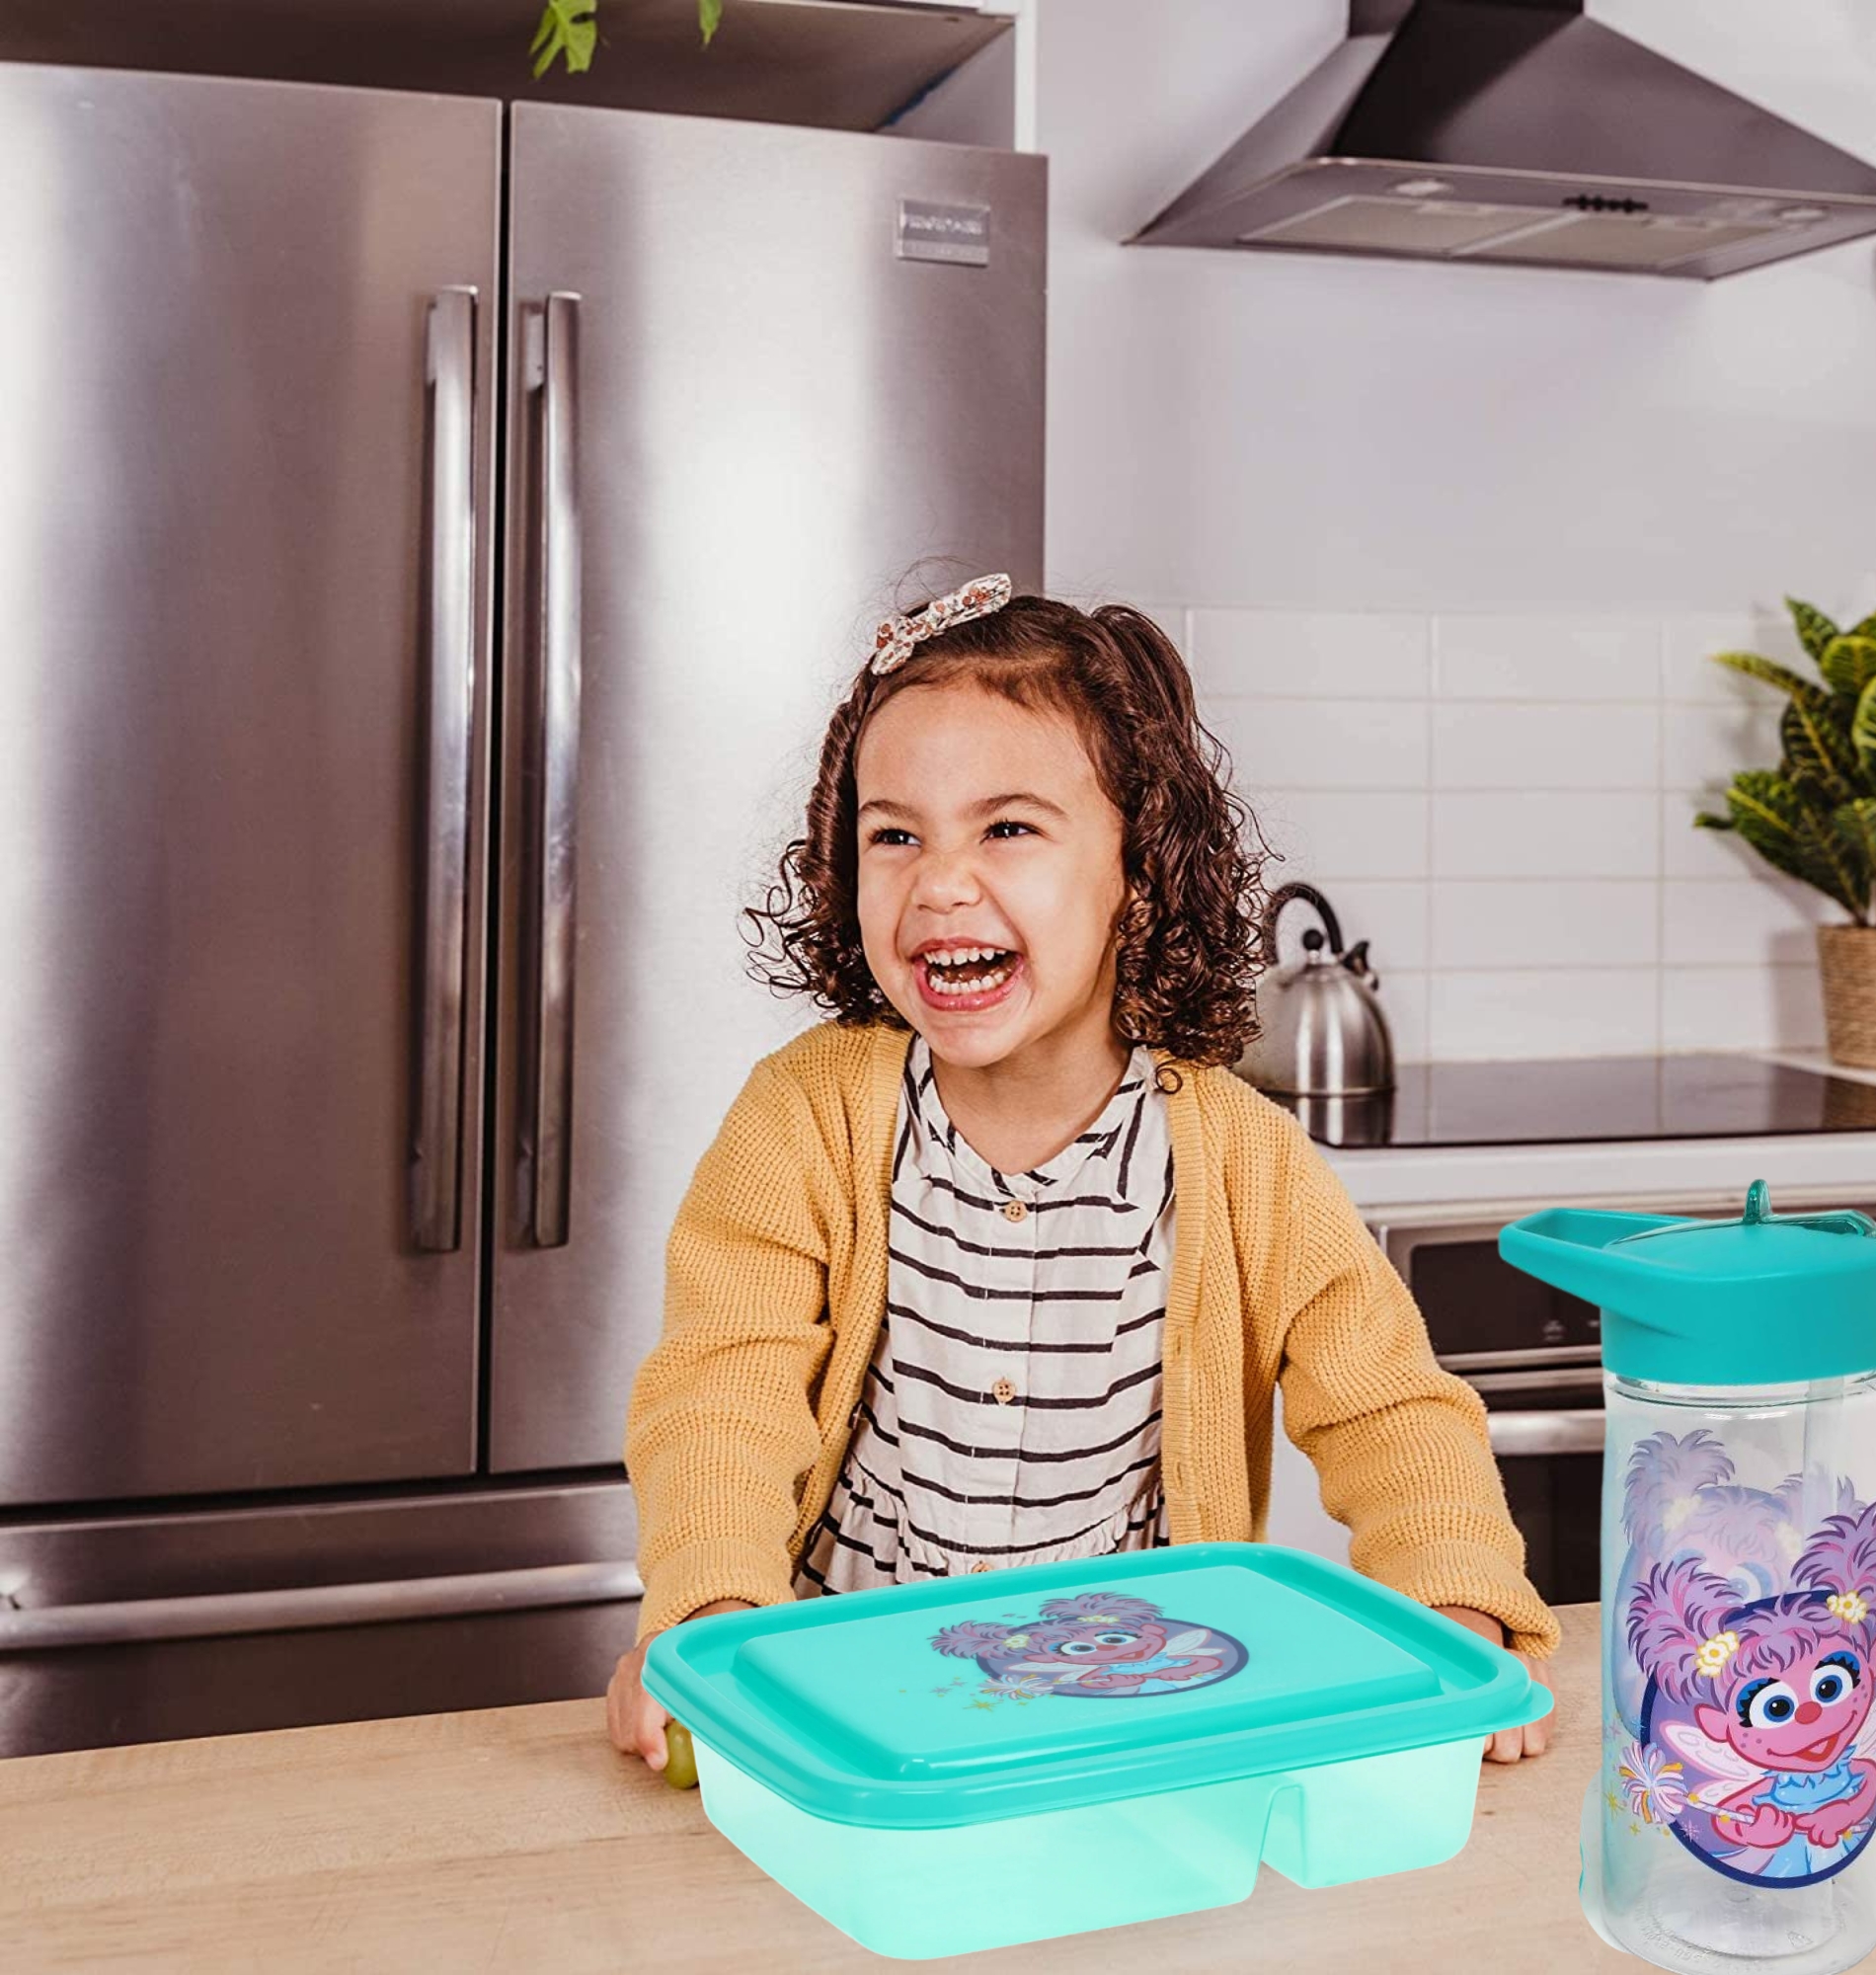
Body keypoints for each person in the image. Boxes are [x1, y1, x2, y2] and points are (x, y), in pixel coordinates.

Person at [604, 575, 1560, 1778]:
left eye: (1005, 827)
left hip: (1129, 1723)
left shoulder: (1240, 1158)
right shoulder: (804, 1117)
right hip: (841, 1717)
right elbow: (720, 1388)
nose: (938, 879)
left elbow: (1387, 1408)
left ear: (1137, 871)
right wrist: (705, 1616)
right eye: (893, 832)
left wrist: (1456, 1605)